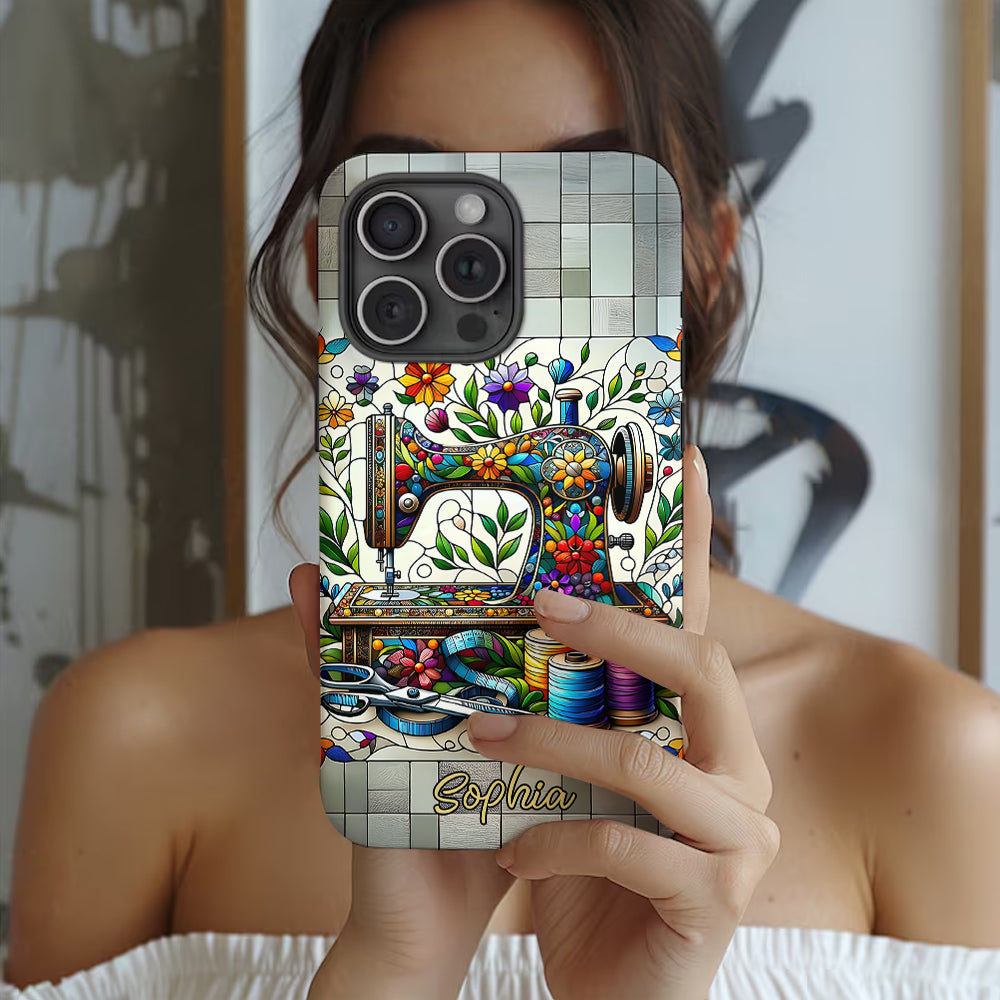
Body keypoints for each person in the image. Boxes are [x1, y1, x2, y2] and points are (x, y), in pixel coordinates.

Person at [5, 0, 1000, 997]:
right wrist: (396, 969)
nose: (502, 278)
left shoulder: (932, 756)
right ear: (325, 265)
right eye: (410, 212)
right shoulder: (136, 739)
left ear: (703, 256)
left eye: (584, 206)